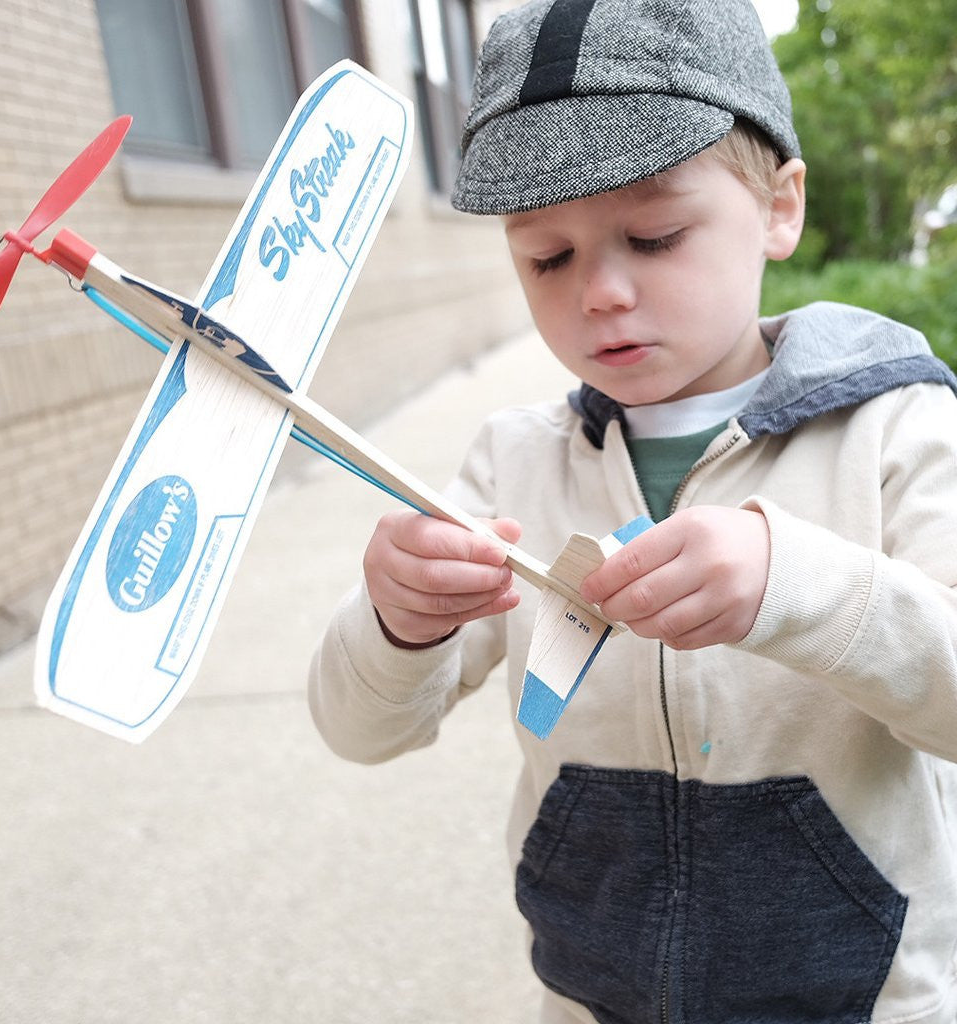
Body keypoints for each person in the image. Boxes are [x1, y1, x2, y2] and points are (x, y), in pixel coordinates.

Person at [308, 1, 957, 1020]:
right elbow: (360, 730)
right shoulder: (510, 465)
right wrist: (396, 622)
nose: (600, 291)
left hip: (868, 996)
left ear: (780, 206)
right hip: (592, 994)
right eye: (547, 256)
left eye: (653, 234)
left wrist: (803, 588)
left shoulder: (897, 430)